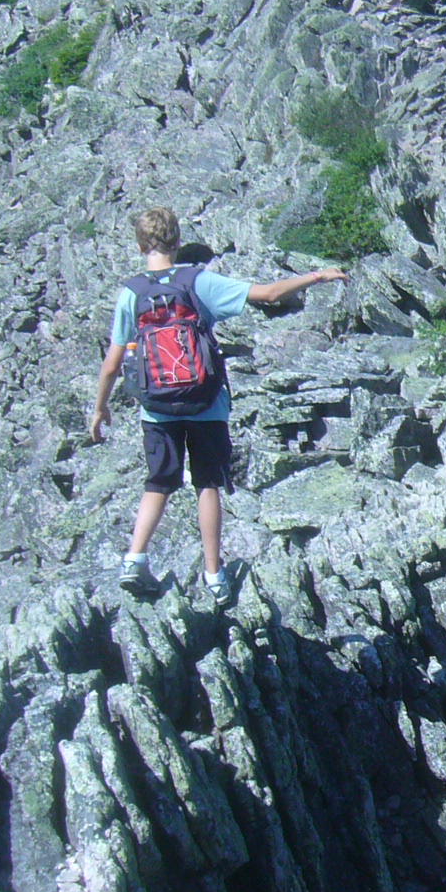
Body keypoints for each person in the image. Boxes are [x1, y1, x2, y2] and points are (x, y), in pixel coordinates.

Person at [89, 207, 347, 606]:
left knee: (159, 481)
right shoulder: (198, 281)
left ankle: (134, 559)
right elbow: (269, 294)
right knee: (207, 484)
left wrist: (99, 408)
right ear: (177, 241)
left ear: (141, 245)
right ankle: (214, 576)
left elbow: (111, 363)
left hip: (156, 407)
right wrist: (318, 275)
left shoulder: (131, 293)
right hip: (206, 401)